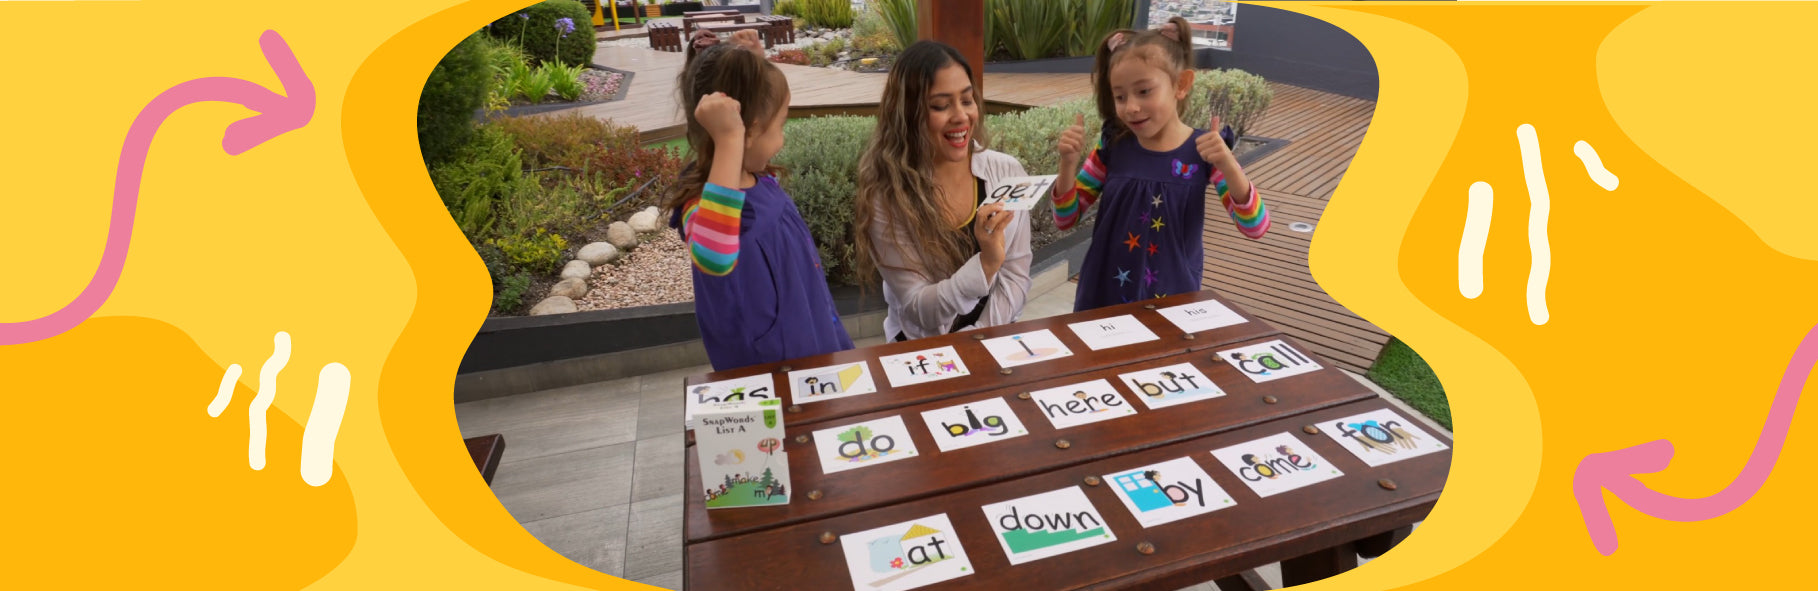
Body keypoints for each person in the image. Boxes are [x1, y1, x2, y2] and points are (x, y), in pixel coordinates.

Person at [1051, 17, 1269, 311]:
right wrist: (1067, 165)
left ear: (1181, 84)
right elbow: (1066, 219)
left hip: (1172, 302)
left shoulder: (1204, 151)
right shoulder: (1112, 146)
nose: (1131, 107)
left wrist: (1228, 164)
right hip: (1102, 298)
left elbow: (1255, 226)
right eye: (1120, 96)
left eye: (1144, 91)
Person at [667, 41, 854, 371]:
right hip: (769, 376)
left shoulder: (758, 180)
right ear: (748, 130)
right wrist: (729, 140)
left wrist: (752, 65)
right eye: (780, 124)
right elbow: (713, 256)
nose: (782, 138)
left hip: (812, 337)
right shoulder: (706, 204)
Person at [855, 41, 1033, 342]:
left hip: (993, 341)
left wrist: (977, 338)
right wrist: (986, 264)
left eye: (967, 100)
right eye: (940, 105)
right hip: (923, 351)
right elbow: (916, 308)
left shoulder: (1008, 171)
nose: (961, 116)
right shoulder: (886, 195)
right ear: (908, 114)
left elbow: (1016, 274)